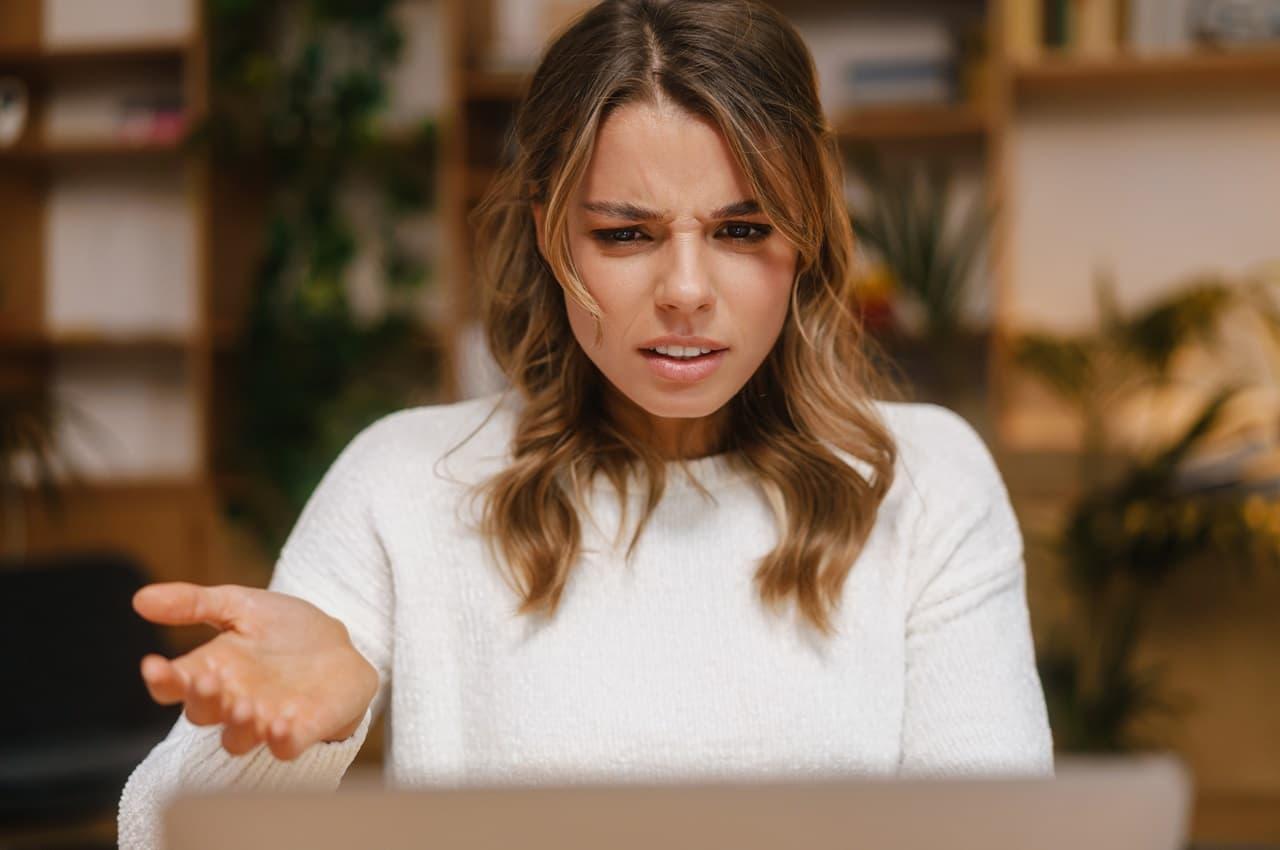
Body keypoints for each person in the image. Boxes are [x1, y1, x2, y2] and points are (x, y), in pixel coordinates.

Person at [117, 0, 1054, 847]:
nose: (686, 292)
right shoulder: (404, 478)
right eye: (625, 234)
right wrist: (285, 752)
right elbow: (158, 835)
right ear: (550, 232)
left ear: (806, 231)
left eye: (741, 229)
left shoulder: (926, 481)